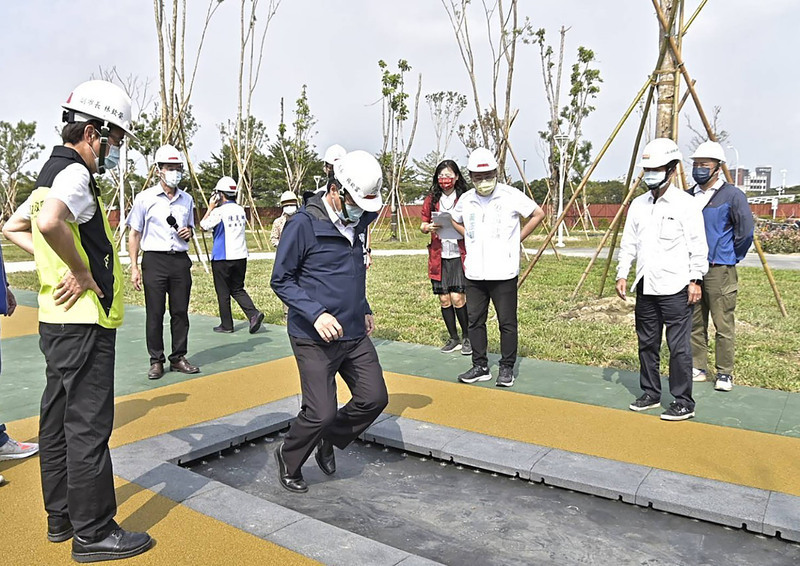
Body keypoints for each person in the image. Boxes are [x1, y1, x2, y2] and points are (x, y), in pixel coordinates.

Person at [2, 80, 152, 560]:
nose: (115, 151)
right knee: (87, 426)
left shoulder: (48, 173)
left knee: (56, 419)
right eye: (115, 141)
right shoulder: (75, 176)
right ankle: (94, 532)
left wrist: (57, 263)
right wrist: (82, 270)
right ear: (93, 132)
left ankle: (61, 518)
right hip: (84, 322)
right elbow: (47, 223)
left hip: (55, 321)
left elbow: (15, 226)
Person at [270, 150, 388, 493]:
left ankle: (328, 438)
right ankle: (289, 457)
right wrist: (316, 313)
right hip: (313, 335)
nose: (363, 213)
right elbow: (281, 279)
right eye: (356, 203)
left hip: (352, 330)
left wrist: (363, 306)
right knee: (320, 411)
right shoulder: (303, 225)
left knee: (374, 398)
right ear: (336, 190)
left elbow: (353, 271)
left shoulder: (360, 220)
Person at [616, 138, 708, 422]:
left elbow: (698, 244)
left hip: (676, 287)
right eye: (647, 169)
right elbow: (629, 242)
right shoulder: (638, 205)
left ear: (671, 169)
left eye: (656, 168)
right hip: (646, 284)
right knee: (647, 342)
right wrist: (622, 272)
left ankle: (683, 401)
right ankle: (651, 393)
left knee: (678, 347)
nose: (650, 174)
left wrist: (696, 279)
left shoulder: (686, 204)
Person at [451, 148, 545, 388]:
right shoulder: (466, 199)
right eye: (478, 177)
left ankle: (506, 367)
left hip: (503, 270)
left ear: (496, 172)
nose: (483, 181)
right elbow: (454, 219)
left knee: (506, 322)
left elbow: (538, 213)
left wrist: (518, 238)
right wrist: (468, 236)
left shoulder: (510, 195)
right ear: (470, 177)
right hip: (474, 271)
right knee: (475, 321)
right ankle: (480, 365)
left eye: (488, 175)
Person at [127, 144, 199, 380]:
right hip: (154, 260)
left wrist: (189, 231)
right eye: (170, 167)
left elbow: (190, 227)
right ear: (158, 170)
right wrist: (134, 266)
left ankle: (178, 357)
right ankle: (156, 360)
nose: (175, 172)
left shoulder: (186, 199)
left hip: (179, 260)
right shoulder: (145, 198)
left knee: (180, 312)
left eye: (178, 168)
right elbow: (134, 234)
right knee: (155, 313)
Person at [688, 142, 754, 393]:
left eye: (704, 165)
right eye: (696, 164)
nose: (699, 169)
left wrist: (731, 256)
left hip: (720, 268)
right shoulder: (688, 194)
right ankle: (698, 366)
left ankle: (724, 372)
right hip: (693, 268)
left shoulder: (732, 195)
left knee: (722, 322)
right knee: (695, 320)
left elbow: (745, 231)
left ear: (718, 167)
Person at [199, 176, 264, 334]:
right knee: (237, 289)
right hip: (240, 256)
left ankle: (227, 325)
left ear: (220, 195)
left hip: (222, 257)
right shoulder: (240, 210)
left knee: (223, 292)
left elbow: (203, 225)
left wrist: (210, 207)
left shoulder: (219, 211)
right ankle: (253, 314)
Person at [420, 160, 471, 354]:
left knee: (458, 297)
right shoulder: (432, 199)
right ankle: (453, 338)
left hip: (459, 253)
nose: (445, 179)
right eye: (441, 176)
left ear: (457, 176)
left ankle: (467, 337)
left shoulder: (465, 198)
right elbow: (423, 224)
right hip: (439, 254)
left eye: (449, 175)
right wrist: (427, 227)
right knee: (444, 299)